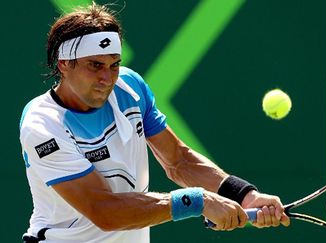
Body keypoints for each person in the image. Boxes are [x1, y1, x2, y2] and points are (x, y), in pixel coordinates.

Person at [19, 3, 289, 242]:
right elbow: (103, 210)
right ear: (64, 64)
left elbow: (179, 161)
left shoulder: (130, 88)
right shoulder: (43, 126)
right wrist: (197, 201)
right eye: (95, 65)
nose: (107, 78)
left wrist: (242, 194)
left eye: (114, 64)